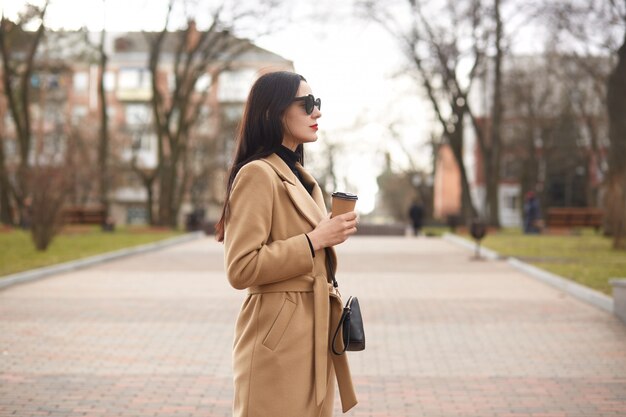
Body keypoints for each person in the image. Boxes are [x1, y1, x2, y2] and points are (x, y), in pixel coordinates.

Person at [215, 71, 358, 417]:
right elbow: (241, 268)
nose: (317, 112)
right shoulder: (257, 174)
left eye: (317, 103)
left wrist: (326, 235)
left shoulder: (303, 178)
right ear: (273, 111)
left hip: (312, 332)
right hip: (276, 340)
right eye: (307, 104)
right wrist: (314, 240)